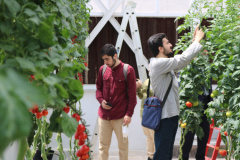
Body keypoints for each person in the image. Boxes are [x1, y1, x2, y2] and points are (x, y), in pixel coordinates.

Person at [147, 25, 205, 160]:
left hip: (171, 115)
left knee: (166, 154)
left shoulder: (165, 65)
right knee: (162, 154)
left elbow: (182, 61)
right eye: (167, 43)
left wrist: (193, 44)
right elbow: (182, 60)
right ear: (160, 48)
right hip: (165, 116)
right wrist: (196, 41)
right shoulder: (158, 64)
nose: (171, 44)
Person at [96, 44, 137, 160]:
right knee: (102, 147)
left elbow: (132, 96)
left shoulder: (128, 70)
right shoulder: (102, 69)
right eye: (103, 59)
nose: (105, 62)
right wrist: (101, 100)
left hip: (121, 117)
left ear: (115, 55)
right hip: (104, 116)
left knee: (123, 147)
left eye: (107, 59)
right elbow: (98, 89)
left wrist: (129, 114)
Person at [181, 82, 212, 160]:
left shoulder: (207, 70)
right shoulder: (187, 69)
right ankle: (183, 157)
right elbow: (182, 83)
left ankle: (200, 158)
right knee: (188, 136)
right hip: (191, 106)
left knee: (204, 134)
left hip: (205, 105)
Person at [136, 79, 155, 160]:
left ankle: (155, 156)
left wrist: (140, 86)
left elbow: (151, 93)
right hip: (143, 114)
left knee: (154, 136)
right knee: (148, 136)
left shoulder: (148, 82)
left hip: (151, 114)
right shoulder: (142, 88)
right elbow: (142, 97)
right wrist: (137, 89)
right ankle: (150, 156)